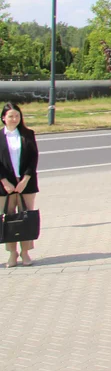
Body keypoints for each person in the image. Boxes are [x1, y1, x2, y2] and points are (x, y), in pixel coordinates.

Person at [1, 103, 39, 268]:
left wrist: (25, 180)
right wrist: (4, 182)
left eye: (17, 115)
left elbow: (33, 158)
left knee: (26, 216)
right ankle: (12, 253)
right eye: (11, 116)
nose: (14, 119)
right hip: (5, 185)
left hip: (26, 183)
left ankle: (25, 252)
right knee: (8, 218)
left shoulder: (28, 134)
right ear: (3, 118)